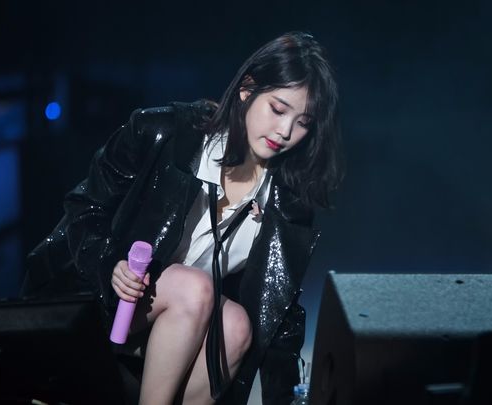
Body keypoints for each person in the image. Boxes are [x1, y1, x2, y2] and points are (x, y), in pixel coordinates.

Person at [22, 31, 343, 405]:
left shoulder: (286, 199)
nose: (285, 131)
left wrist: (286, 397)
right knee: (195, 287)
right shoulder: (163, 133)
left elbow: (281, 310)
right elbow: (84, 206)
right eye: (278, 109)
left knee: (237, 326)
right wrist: (110, 264)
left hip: (177, 329)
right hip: (97, 302)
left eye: (303, 122)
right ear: (247, 89)